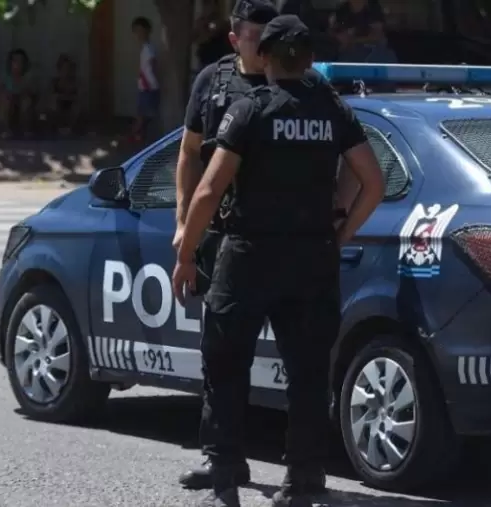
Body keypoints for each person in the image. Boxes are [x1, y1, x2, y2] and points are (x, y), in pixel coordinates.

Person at [172, 14, 385, 507]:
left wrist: (186, 252)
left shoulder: (250, 109)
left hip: (249, 256)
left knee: (226, 369)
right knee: (309, 375)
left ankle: (225, 483)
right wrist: (340, 233)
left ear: (265, 58)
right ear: (309, 60)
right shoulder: (333, 110)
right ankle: (303, 485)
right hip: (312, 257)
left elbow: (208, 189)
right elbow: (372, 182)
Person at [173, 0, 280, 493]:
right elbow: (190, 153)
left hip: (281, 240)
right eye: (257, 36)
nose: (267, 45)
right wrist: (183, 225)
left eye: (272, 34)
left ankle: (301, 472)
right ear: (236, 39)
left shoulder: (295, 80)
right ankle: (223, 461)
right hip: (223, 236)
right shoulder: (213, 82)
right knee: (221, 355)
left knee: (299, 358)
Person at [329, 0, 397, 63]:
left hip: (374, 51)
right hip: (348, 53)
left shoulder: (373, 7)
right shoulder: (342, 10)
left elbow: (377, 36)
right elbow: (337, 34)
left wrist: (354, 40)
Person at [131, 16, 161, 143]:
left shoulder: (149, 48)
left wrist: (154, 81)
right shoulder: (144, 48)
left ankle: (139, 137)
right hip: (144, 86)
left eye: (141, 31)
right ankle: (139, 136)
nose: (139, 34)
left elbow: (153, 66)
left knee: (145, 115)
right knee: (142, 114)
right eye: (136, 31)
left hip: (149, 86)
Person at [0, 48, 37, 139]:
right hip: (9, 101)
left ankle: (26, 130)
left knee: (26, 102)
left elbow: (33, 93)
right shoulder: (5, 75)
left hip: (21, 101)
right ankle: (6, 130)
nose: (18, 64)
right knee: (5, 101)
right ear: (10, 62)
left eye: (21, 61)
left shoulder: (28, 76)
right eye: (15, 61)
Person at [49, 54, 80, 136]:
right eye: (63, 68)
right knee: (54, 104)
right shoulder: (54, 82)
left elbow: (78, 97)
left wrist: (65, 97)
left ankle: (70, 129)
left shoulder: (75, 83)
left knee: (76, 107)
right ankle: (58, 128)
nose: (66, 71)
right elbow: (52, 96)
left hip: (70, 105)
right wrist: (63, 97)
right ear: (59, 69)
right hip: (59, 105)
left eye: (68, 68)